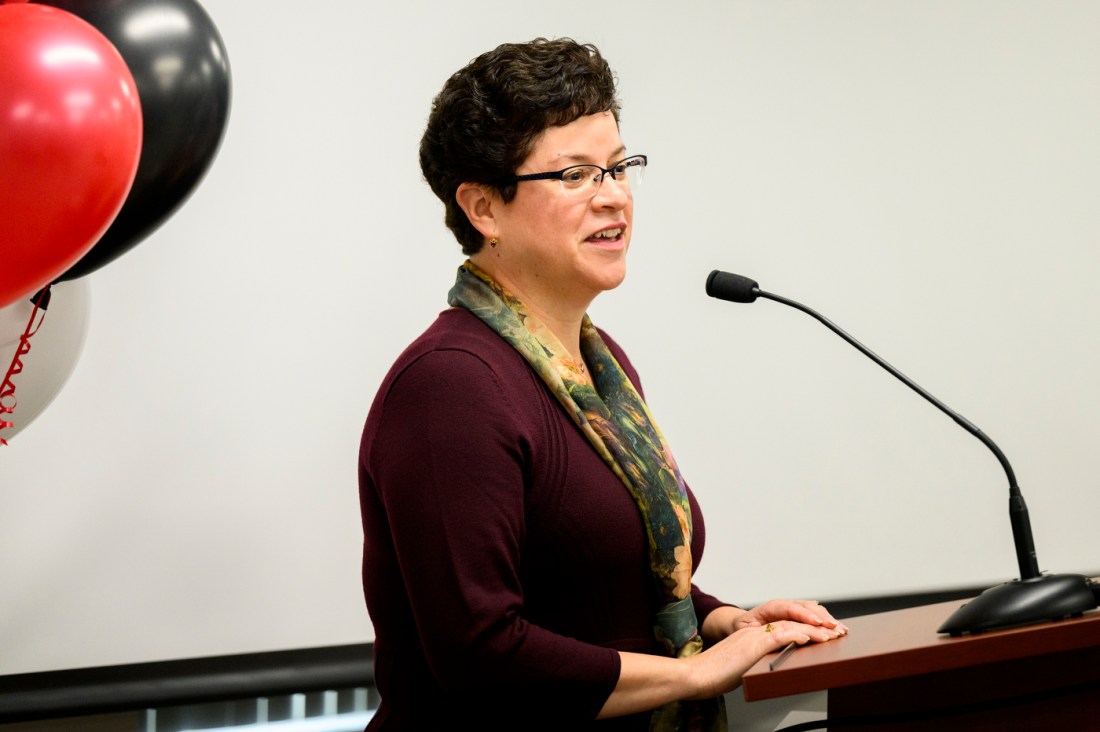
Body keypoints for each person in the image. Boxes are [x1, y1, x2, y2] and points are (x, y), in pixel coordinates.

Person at [357, 37, 848, 731]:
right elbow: (480, 655)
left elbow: (607, 594)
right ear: (483, 208)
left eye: (620, 168)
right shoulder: (450, 386)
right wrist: (688, 674)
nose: (613, 196)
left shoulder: (599, 367)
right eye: (575, 176)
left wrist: (724, 622)